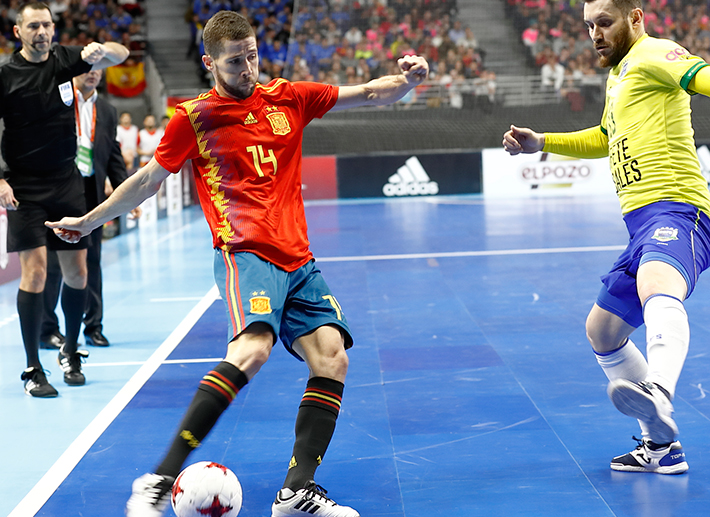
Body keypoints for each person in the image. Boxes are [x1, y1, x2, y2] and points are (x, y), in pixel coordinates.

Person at [48, 10, 428, 517]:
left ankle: (296, 492)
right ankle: (158, 480)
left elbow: (371, 93)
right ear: (210, 62)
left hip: (299, 258)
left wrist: (408, 81)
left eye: (252, 55)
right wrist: (92, 221)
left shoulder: (288, 97)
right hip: (246, 251)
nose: (248, 67)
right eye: (234, 60)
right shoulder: (193, 117)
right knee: (253, 350)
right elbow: (146, 182)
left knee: (333, 357)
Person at [502, 0, 710, 475]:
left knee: (656, 282)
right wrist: (543, 141)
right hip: (641, 226)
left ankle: (658, 390)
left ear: (635, 17)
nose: (595, 34)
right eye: (589, 26)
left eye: (604, 22)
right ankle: (660, 449)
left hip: (683, 213)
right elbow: (606, 138)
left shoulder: (655, 54)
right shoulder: (619, 76)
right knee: (602, 331)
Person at [0, 2, 129, 397]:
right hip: (23, 187)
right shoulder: (5, 76)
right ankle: (33, 368)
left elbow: (120, 54)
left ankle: (71, 351)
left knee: (78, 274)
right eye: (34, 25)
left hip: (65, 182)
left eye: (48, 25)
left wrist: (100, 50)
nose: (42, 31)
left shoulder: (66, 60)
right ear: (18, 31)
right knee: (35, 272)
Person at [40, 67, 138, 351]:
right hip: (58, 192)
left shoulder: (107, 110)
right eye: (87, 69)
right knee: (55, 264)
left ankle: (93, 326)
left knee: (92, 262)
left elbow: (113, 155)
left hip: (91, 194)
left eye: (98, 70)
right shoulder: (58, 102)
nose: (93, 74)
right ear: (72, 73)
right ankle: (48, 329)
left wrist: (127, 196)